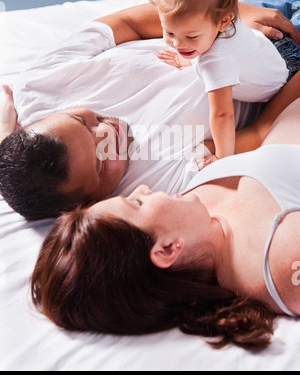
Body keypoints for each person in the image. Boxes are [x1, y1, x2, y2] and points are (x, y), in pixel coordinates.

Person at [31, 98, 300, 351]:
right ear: (168, 249)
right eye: (136, 203)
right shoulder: (283, 262)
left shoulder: (193, 206)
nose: (143, 189)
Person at [1, 0, 300, 220]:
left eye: (82, 120)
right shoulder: (155, 187)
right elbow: (262, 133)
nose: (107, 131)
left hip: (224, 17)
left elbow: (126, 23)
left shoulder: (36, 87)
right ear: (88, 205)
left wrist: (231, 14)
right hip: (287, 74)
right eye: (101, 159)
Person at [140, 0, 300, 169]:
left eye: (191, 37)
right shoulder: (218, 16)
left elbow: (223, 114)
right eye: (169, 32)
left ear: (224, 22)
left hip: (289, 68)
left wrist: (223, 158)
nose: (177, 43)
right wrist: (189, 58)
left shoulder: (216, 61)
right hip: (271, 48)